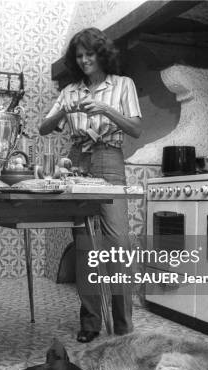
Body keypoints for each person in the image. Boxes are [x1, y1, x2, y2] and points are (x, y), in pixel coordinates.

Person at [39, 28, 142, 343]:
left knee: (118, 244)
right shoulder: (70, 90)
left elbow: (136, 128)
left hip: (110, 160)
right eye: (79, 56)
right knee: (85, 246)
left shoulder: (123, 85)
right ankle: (90, 323)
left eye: (89, 54)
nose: (84, 60)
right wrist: (61, 114)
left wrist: (106, 109)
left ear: (102, 54)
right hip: (76, 163)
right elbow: (43, 128)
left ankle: (123, 326)